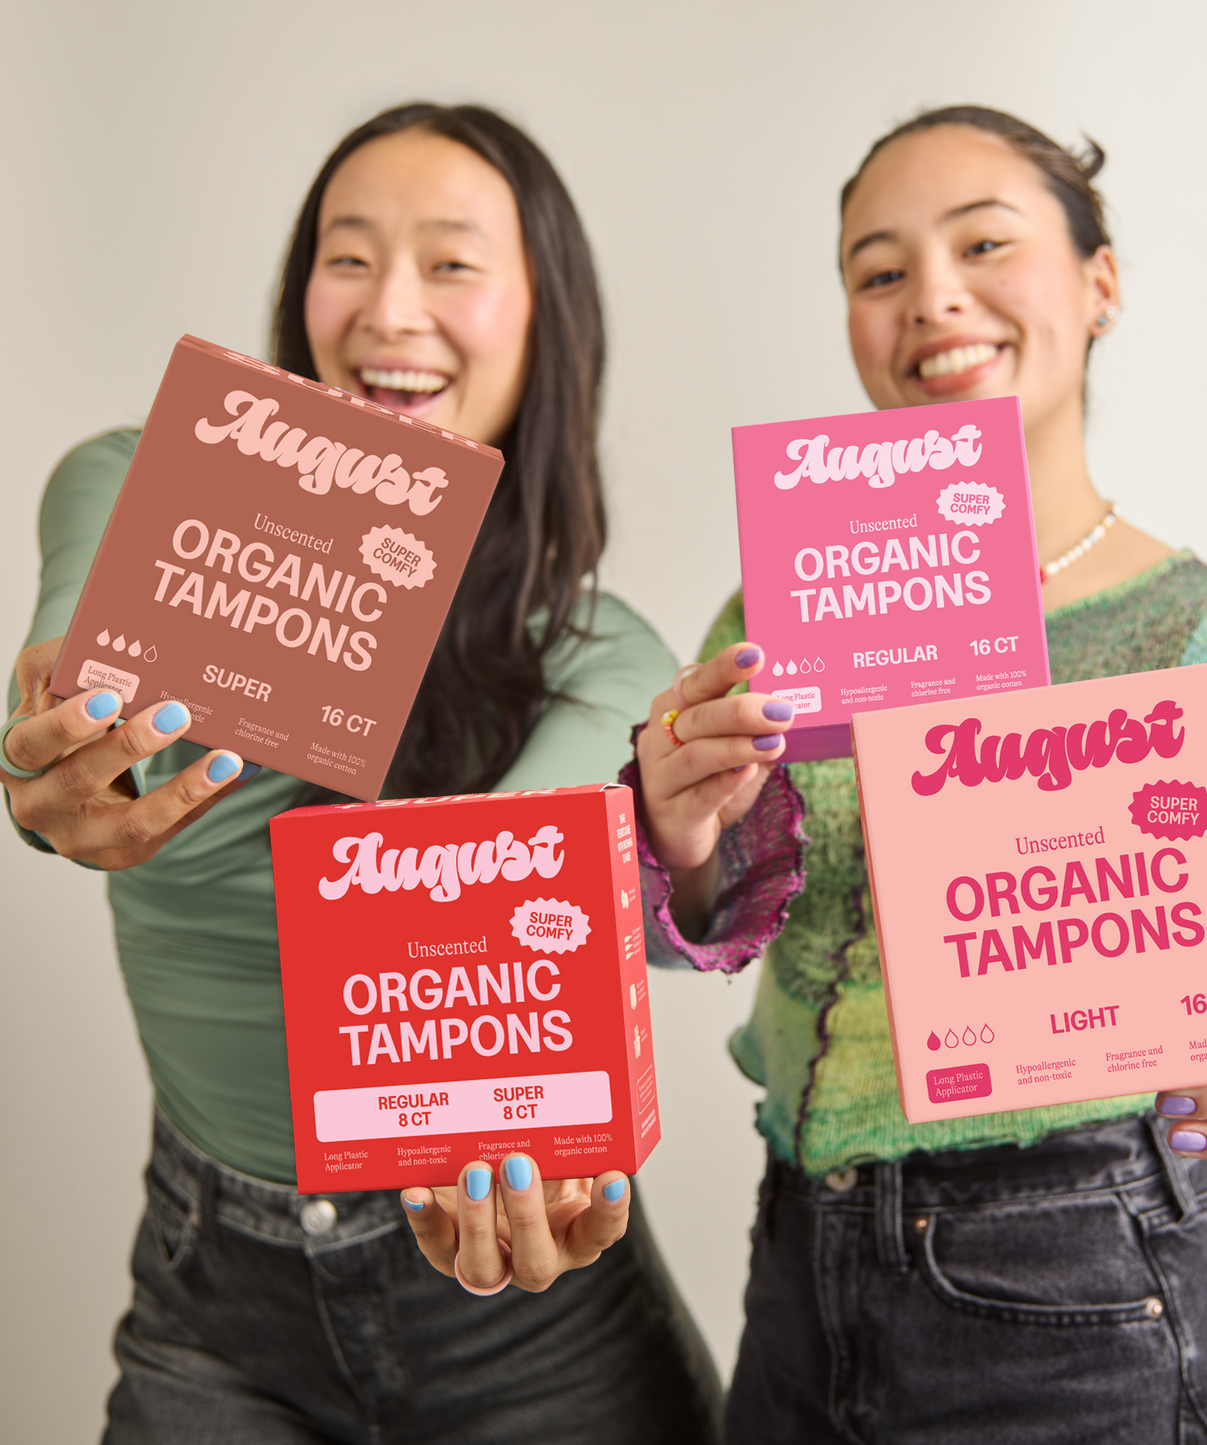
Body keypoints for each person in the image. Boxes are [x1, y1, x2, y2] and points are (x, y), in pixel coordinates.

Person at [632, 106, 1207, 1444]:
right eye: (879, 271)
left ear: (1100, 284)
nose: (932, 298)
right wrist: (675, 840)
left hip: (1088, 1282)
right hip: (796, 1281)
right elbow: (712, 911)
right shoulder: (779, 613)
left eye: (985, 243)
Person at [3, 103, 721, 1443]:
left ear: (540, 319)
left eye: (451, 263)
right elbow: (67, 688)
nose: (391, 308)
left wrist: (537, 1152)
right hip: (214, 1302)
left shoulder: (605, 664)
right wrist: (53, 771)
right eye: (348, 256)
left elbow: (505, 958)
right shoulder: (133, 489)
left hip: (529, 1323)